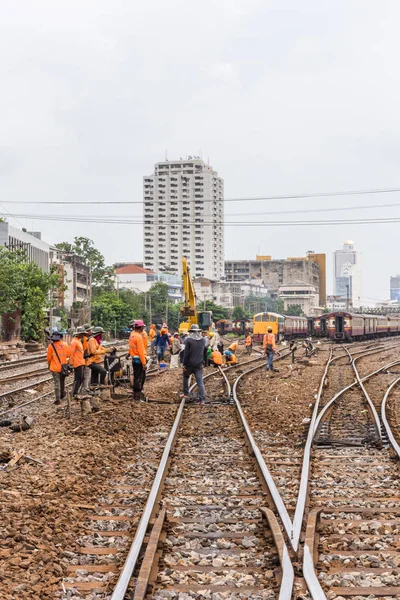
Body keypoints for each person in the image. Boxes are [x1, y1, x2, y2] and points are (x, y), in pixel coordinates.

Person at [182, 324, 206, 404]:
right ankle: (202, 399)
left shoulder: (188, 340)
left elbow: (186, 354)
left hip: (189, 364)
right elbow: (204, 351)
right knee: (200, 381)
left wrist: (184, 365)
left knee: (186, 376)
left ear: (191, 331)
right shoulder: (203, 340)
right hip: (199, 365)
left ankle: (186, 393)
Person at [47, 331, 70, 405]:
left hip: (55, 367)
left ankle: (57, 399)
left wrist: (49, 365)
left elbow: (49, 358)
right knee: (62, 381)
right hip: (63, 367)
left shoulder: (51, 346)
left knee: (57, 383)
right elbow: (68, 355)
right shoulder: (65, 344)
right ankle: (62, 394)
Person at [129, 321, 147, 400]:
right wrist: (144, 363)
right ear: (141, 327)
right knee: (139, 378)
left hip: (134, 359)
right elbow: (140, 352)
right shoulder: (138, 337)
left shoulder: (132, 335)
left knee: (137, 377)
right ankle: (137, 396)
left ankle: (135, 394)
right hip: (139, 359)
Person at [69, 327, 86, 398]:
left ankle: (75, 392)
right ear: (79, 334)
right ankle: (74, 393)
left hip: (80, 362)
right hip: (77, 363)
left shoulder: (78, 341)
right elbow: (71, 353)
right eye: (82, 334)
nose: (83, 335)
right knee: (78, 378)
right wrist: (71, 364)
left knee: (81, 378)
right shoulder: (74, 342)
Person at [82, 325, 93, 395]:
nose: (91, 331)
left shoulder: (81, 339)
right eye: (89, 330)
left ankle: (83, 389)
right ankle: (85, 390)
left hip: (81, 361)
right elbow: (86, 351)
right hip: (86, 361)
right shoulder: (85, 339)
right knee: (87, 376)